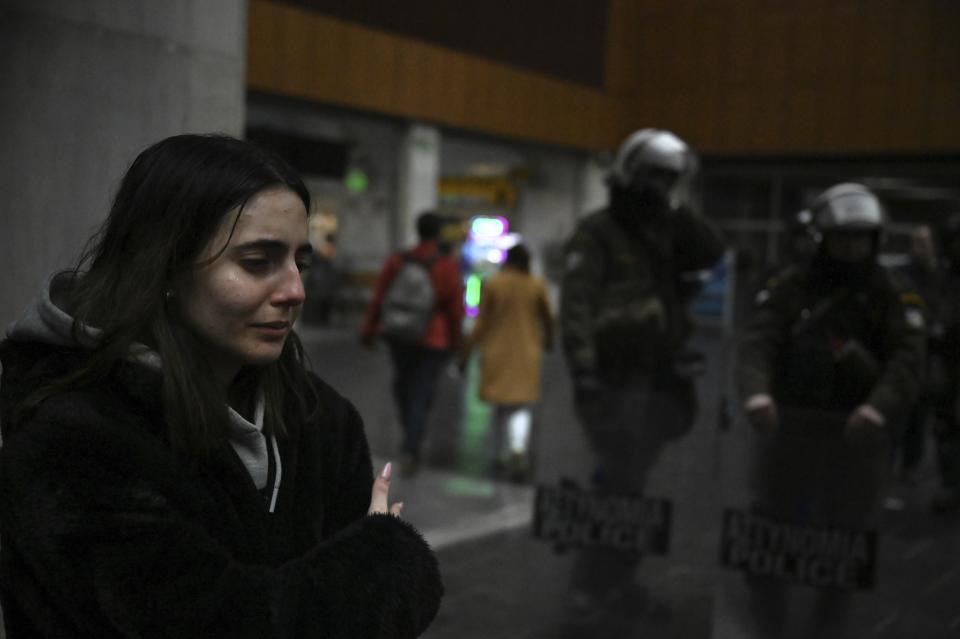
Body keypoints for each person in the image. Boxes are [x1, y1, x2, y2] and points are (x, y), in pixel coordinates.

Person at [0, 134, 442, 639]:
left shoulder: (321, 417)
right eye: (257, 263)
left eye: (301, 261)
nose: (294, 290)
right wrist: (387, 559)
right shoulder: (70, 438)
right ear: (165, 265)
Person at [736, 183, 925, 638]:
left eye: (862, 237)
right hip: (788, 430)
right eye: (842, 237)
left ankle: (827, 627)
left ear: (876, 240)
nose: (852, 246)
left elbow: (907, 359)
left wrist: (878, 410)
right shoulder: (791, 286)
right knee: (769, 533)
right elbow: (759, 340)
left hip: (855, 438)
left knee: (843, 542)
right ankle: (767, 623)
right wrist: (757, 393)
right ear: (822, 238)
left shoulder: (893, 294)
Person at [559, 128, 723, 618]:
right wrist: (584, 374)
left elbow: (712, 251)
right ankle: (591, 585)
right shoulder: (598, 232)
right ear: (630, 173)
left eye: (669, 179)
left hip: (658, 380)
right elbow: (577, 309)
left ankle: (616, 581)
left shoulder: (664, 229)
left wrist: (676, 206)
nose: (660, 185)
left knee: (635, 487)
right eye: (653, 176)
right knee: (616, 486)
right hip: (613, 382)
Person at [361, 211, 463, 477]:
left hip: (399, 336)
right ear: (438, 233)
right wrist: (457, 343)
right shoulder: (446, 265)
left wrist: (369, 330)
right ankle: (411, 446)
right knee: (422, 391)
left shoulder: (398, 261)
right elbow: (455, 309)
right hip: (434, 338)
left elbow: (380, 297)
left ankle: (410, 434)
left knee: (404, 385)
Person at [460, 243, 554, 482]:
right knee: (521, 405)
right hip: (527, 351)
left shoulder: (493, 284)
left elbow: (480, 324)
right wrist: (550, 341)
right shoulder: (535, 285)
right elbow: (548, 318)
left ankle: (499, 454)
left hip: (496, 351)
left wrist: (466, 352)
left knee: (499, 405)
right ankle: (518, 449)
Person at [924, 214, 960, 513]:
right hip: (945, 359)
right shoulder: (944, 276)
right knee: (944, 423)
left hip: (949, 355)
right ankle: (951, 483)